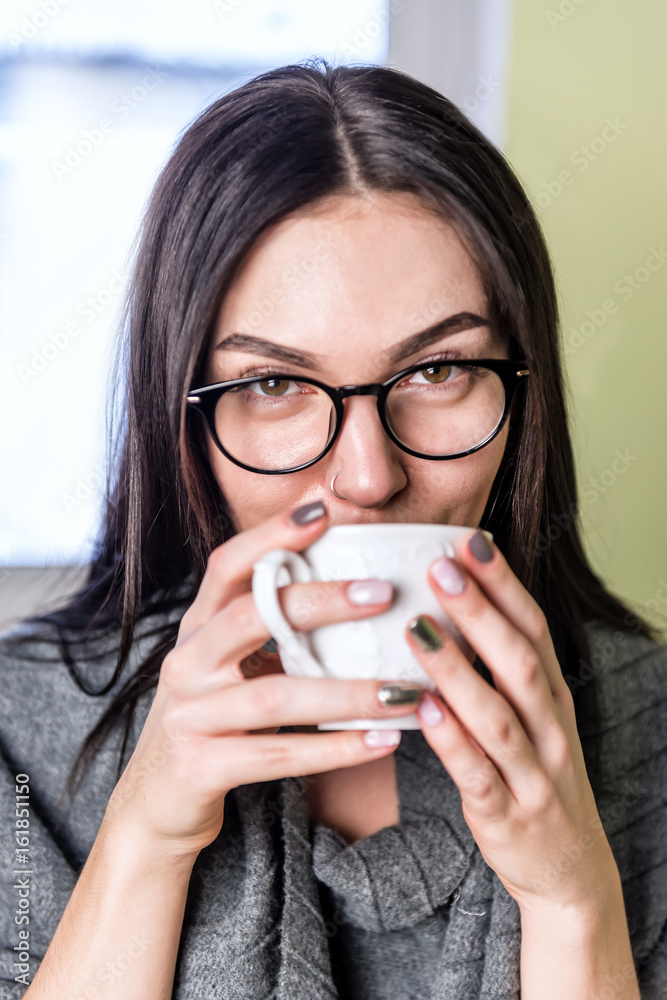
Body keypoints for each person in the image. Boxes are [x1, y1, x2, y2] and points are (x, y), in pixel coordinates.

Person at [0, 59, 665, 1000]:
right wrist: (144, 839)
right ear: (182, 422)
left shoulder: (652, 734)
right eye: (274, 385)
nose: (367, 477)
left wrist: (570, 903)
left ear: (523, 393)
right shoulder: (16, 743)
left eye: (437, 372)